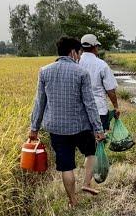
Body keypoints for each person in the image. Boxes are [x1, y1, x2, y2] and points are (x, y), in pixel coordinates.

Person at [29, 36, 105, 207]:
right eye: (78, 53)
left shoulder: (45, 71)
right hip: (80, 126)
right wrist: (98, 129)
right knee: (91, 153)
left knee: (66, 166)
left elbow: (39, 102)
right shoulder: (81, 73)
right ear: (73, 52)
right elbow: (90, 104)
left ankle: (72, 200)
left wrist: (34, 128)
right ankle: (86, 183)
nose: (79, 57)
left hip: (57, 128)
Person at [78, 33, 120, 133]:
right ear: (95, 47)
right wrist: (116, 107)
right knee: (99, 140)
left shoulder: (76, 62)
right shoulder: (102, 65)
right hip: (99, 110)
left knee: (84, 142)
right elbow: (110, 90)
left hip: (79, 110)